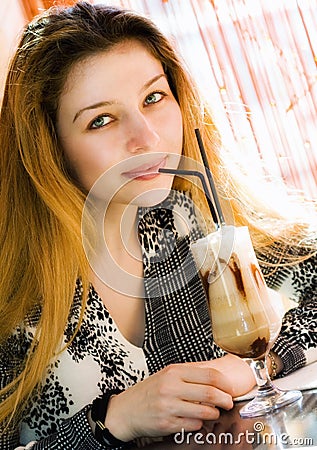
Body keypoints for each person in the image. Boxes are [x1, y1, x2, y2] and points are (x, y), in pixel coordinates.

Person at [0, 2, 316, 449]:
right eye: (101, 120)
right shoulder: (14, 297)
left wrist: (262, 364)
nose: (146, 138)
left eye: (153, 97)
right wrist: (113, 420)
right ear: (49, 148)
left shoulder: (195, 223)